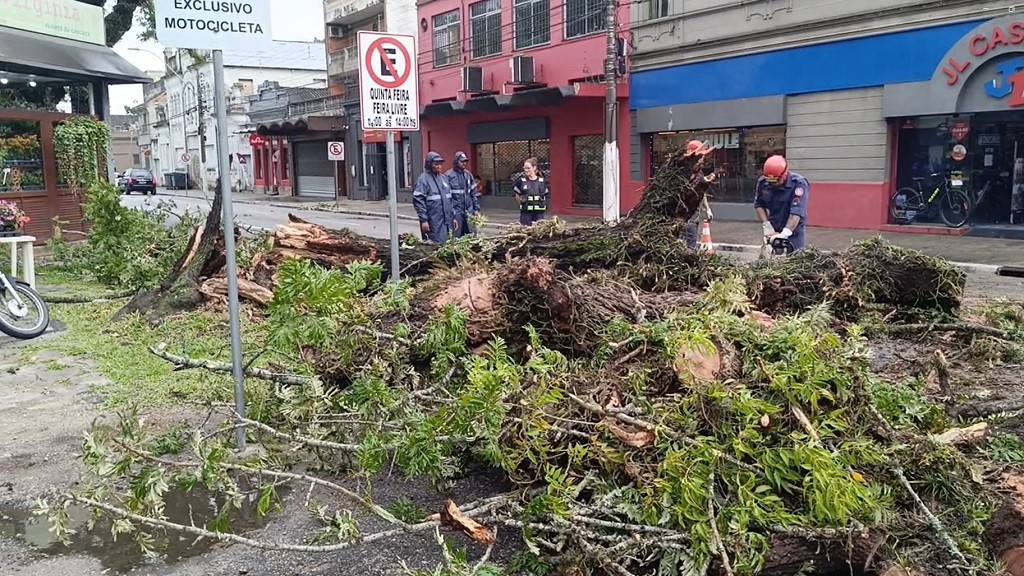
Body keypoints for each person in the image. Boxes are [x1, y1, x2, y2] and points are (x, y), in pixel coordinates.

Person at [754, 154, 810, 251]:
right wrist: (766, 225)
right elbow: (759, 205)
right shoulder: (763, 182)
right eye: (770, 181)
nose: (772, 184)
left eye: (775, 181)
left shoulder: (798, 184)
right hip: (773, 227)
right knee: (771, 261)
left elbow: (796, 213)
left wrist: (785, 234)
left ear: (784, 174)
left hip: (793, 231)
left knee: (796, 259)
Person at [413, 151, 460, 244]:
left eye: (440, 164)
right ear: (429, 164)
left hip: (447, 221)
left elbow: (449, 200)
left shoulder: (443, 178)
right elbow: (418, 201)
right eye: (436, 164)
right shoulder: (423, 180)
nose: (439, 166)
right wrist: (424, 220)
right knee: (435, 246)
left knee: (448, 245)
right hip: (433, 221)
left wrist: (453, 217)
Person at [680, 140, 716, 249]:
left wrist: (707, 208)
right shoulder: (684, 174)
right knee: (688, 245)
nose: (702, 159)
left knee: (691, 243)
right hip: (685, 217)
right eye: (700, 156)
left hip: (695, 215)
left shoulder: (699, 172)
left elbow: (701, 192)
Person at [446, 151, 480, 237]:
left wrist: (476, 210)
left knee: (471, 237)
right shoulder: (448, 176)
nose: (464, 163)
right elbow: (447, 198)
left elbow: (473, 194)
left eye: (465, 161)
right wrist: (451, 214)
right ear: (456, 162)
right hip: (456, 213)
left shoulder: (468, 175)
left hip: (469, 211)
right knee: (456, 237)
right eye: (462, 161)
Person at [515, 157, 549, 226]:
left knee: (539, 233)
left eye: (528, 168)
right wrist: (523, 203)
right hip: (526, 213)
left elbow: (545, 194)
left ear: (534, 167)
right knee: (525, 231)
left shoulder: (542, 181)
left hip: (539, 214)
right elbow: (517, 195)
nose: (526, 170)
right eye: (525, 168)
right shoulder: (521, 181)